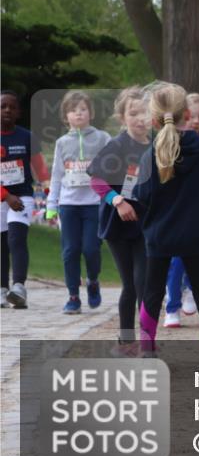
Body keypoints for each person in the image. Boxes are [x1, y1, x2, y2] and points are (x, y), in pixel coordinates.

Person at [133, 81, 199, 372]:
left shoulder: (150, 153)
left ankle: (146, 354)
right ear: (186, 113)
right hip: (195, 232)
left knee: (152, 293)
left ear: (154, 119)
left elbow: (141, 195)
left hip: (158, 234)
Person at [87, 87, 151, 356]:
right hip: (118, 223)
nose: (139, 118)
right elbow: (96, 179)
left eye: (144, 112)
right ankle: (126, 342)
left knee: (144, 283)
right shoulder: (116, 145)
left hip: (147, 223)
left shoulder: (157, 145)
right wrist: (117, 200)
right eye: (133, 113)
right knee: (131, 285)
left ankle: (148, 342)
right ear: (123, 118)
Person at [46, 91, 111, 314]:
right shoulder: (62, 143)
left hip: (94, 203)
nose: (79, 113)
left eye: (83, 109)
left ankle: (93, 281)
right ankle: (73, 296)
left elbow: (114, 163)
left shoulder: (102, 138)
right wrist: (51, 206)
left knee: (91, 249)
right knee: (70, 250)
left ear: (90, 113)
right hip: (69, 204)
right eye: (74, 110)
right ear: (66, 116)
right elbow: (56, 175)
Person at [163, 92, 199, 327]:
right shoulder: (169, 140)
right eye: (191, 116)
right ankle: (171, 306)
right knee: (176, 259)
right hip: (176, 211)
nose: (196, 121)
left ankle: (189, 289)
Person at [1, 90, 49, 309]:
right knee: (1, 244)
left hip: (23, 197)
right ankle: (2, 290)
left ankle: (19, 288)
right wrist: (6, 196)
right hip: (4, 197)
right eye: (3, 106)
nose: (7, 110)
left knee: (16, 239)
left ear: (19, 112)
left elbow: (40, 168)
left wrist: (50, 193)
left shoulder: (26, 136)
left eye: (12, 107)